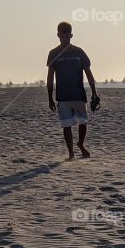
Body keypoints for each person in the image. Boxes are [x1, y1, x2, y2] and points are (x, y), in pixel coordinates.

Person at [46, 21, 96, 159]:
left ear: (71, 35)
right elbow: (50, 79)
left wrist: (94, 92)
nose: (65, 39)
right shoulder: (53, 53)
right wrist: (50, 97)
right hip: (63, 96)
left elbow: (89, 74)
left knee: (83, 122)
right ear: (58, 35)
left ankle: (80, 144)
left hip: (79, 94)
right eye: (63, 37)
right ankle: (71, 153)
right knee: (66, 124)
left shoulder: (79, 52)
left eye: (67, 37)